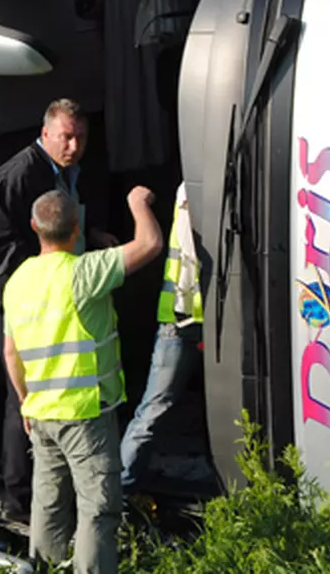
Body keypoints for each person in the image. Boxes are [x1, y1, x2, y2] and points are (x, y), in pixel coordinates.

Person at [1, 187, 163, 573]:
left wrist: (25, 402)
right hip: (85, 414)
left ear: (34, 227)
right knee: (98, 509)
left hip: (41, 415)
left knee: (49, 508)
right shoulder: (83, 272)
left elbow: (11, 353)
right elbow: (150, 243)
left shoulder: (17, 282)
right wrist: (137, 203)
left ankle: (45, 569)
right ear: (76, 229)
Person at [0, 98, 117, 523]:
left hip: (46, 297)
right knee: (23, 398)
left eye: (81, 138)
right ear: (46, 133)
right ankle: (15, 500)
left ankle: (32, 488)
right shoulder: (20, 175)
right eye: (66, 137)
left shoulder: (71, 171)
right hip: (14, 301)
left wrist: (93, 234)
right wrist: (41, 282)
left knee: (20, 392)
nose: (74, 146)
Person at [119, 182, 208, 494]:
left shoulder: (201, 186)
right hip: (182, 318)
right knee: (154, 409)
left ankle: (122, 488)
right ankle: (121, 489)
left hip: (192, 317)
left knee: (157, 408)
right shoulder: (190, 190)